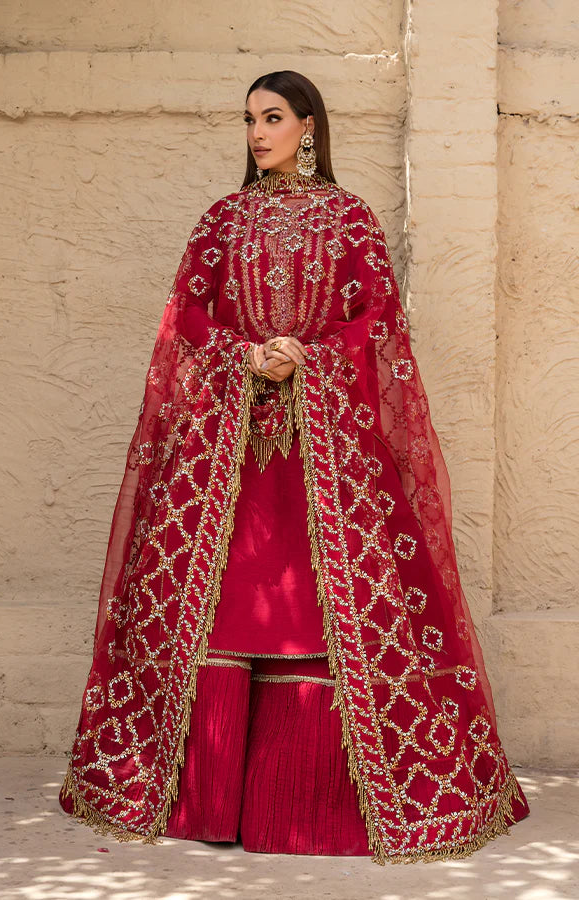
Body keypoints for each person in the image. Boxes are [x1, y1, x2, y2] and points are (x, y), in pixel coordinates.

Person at [59, 69, 529, 865]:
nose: (256, 134)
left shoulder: (348, 219)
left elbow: (379, 324)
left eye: (271, 118)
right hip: (226, 454)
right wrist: (244, 354)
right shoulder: (222, 221)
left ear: (308, 125)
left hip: (325, 458)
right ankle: (204, 801)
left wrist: (308, 356)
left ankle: (307, 807)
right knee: (225, 599)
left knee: (319, 603)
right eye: (249, 120)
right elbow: (186, 317)